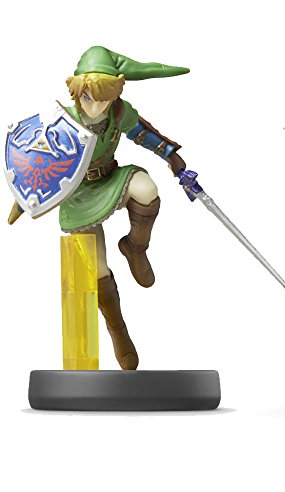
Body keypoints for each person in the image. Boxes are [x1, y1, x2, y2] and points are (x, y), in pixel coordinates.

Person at [12, 46, 199, 370]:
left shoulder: (119, 112)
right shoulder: (62, 122)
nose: (96, 106)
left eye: (104, 99)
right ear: (77, 91)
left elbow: (145, 135)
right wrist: (24, 196)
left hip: (112, 178)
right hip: (77, 195)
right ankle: (119, 332)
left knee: (146, 189)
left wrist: (174, 159)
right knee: (96, 269)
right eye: (88, 98)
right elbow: (37, 161)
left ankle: (135, 248)